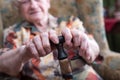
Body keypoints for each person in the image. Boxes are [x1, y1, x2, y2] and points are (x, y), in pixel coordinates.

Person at [0, 0, 100, 80]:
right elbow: (4, 65)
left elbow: (94, 49)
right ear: (19, 8)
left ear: (48, 2)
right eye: (25, 1)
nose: (33, 5)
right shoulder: (13, 33)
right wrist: (24, 52)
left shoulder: (71, 21)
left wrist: (87, 46)